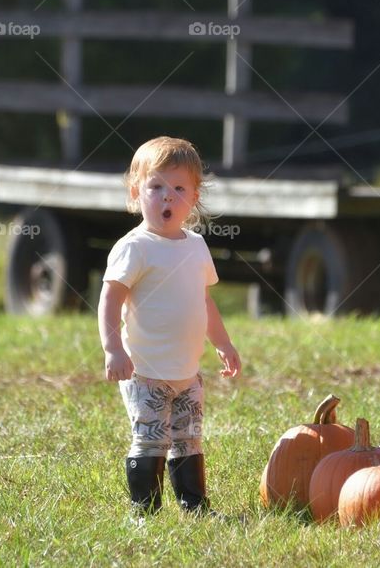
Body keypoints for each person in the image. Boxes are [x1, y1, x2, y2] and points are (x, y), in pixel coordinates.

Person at [98, 135, 241, 517]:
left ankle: (194, 505)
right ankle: (144, 511)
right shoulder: (135, 247)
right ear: (136, 192)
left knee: (188, 440)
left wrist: (223, 343)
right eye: (156, 186)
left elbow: (203, 300)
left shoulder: (195, 245)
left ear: (194, 198)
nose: (167, 197)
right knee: (150, 440)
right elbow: (110, 299)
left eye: (178, 188)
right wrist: (114, 349)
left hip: (188, 373)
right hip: (145, 372)